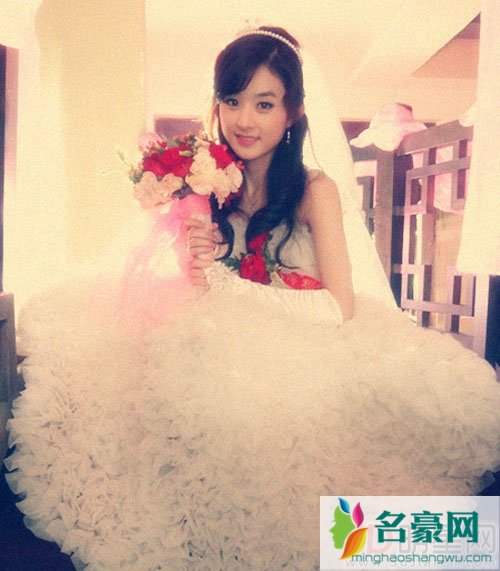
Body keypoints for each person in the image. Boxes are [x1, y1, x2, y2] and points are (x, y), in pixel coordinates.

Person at [4, 26, 500, 571]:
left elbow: (339, 307)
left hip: (307, 337)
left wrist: (226, 283)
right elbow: (196, 282)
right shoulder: (205, 181)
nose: (244, 120)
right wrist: (196, 255)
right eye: (233, 100)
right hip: (215, 332)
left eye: (264, 104)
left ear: (293, 112)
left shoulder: (315, 189)